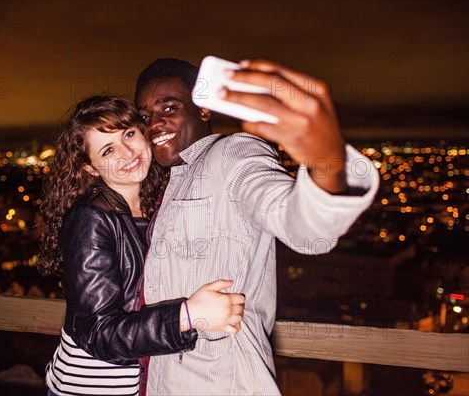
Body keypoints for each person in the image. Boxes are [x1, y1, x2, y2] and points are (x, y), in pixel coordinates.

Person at [134, 58, 380, 395]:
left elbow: (303, 228)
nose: (154, 124)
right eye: (145, 116)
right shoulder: (169, 182)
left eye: (169, 107)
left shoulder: (232, 155)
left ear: (203, 109)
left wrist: (326, 162)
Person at [37, 95, 245, 396]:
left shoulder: (154, 205)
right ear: (91, 168)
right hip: (89, 388)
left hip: (136, 384)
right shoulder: (91, 219)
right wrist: (188, 316)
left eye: (129, 134)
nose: (127, 152)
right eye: (108, 150)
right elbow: (100, 333)